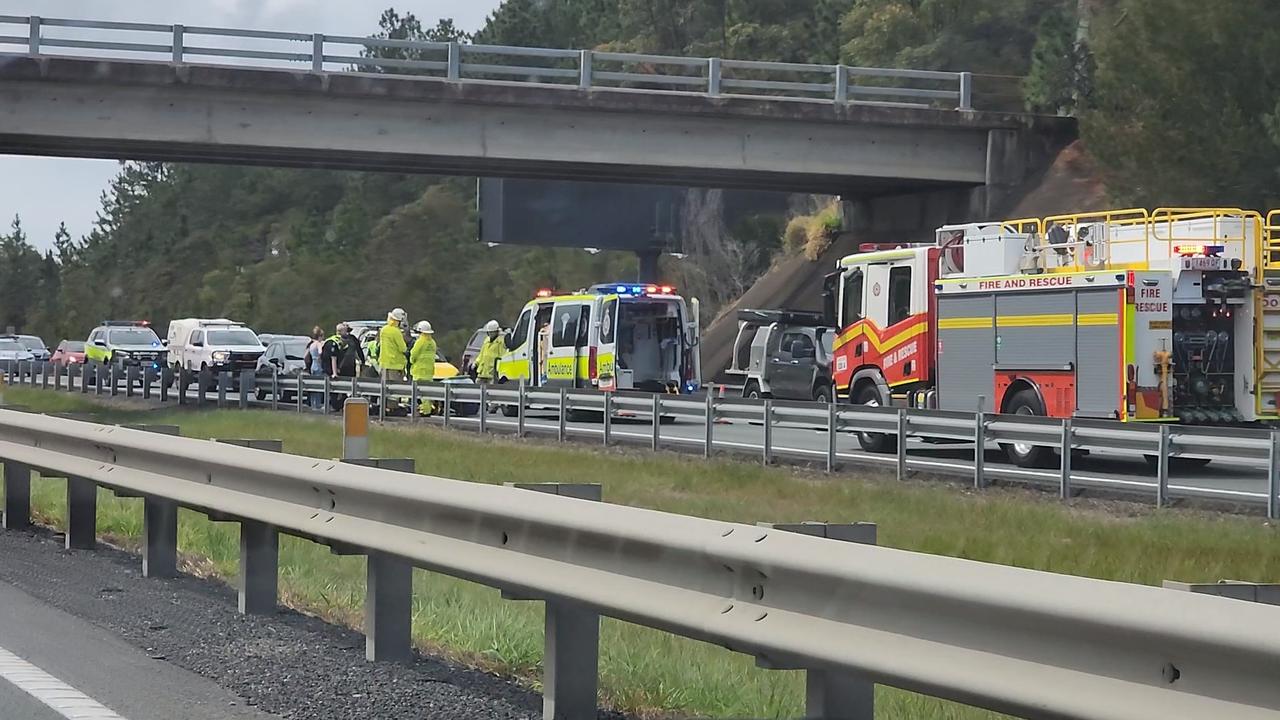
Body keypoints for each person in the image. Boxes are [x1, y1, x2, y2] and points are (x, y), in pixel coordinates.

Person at [322, 322, 365, 411]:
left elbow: (357, 351)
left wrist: (361, 361)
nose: (347, 332)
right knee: (337, 388)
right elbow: (334, 356)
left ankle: (344, 405)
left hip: (350, 367)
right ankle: (337, 405)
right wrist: (335, 370)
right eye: (346, 330)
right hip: (340, 368)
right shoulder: (336, 341)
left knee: (349, 388)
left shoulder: (353, 339)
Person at [379, 308, 410, 413]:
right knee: (395, 389)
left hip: (384, 363)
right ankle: (392, 408)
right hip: (395, 364)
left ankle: (384, 407)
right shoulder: (396, 332)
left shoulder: (384, 329)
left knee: (385, 388)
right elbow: (402, 348)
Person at [409, 320, 437, 416]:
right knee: (427, 392)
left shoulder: (420, 341)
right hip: (429, 371)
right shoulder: (432, 342)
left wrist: (411, 361)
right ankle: (427, 409)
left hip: (419, 370)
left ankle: (425, 411)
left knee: (420, 392)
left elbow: (413, 354)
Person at [306, 326, 325, 409]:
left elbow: (306, 356)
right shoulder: (318, 344)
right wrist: (321, 361)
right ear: (320, 336)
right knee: (319, 386)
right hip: (318, 364)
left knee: (313, 385)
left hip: (312, 365)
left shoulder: (311, 345)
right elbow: (320, 352)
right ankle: (317, 404)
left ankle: (313, 403)